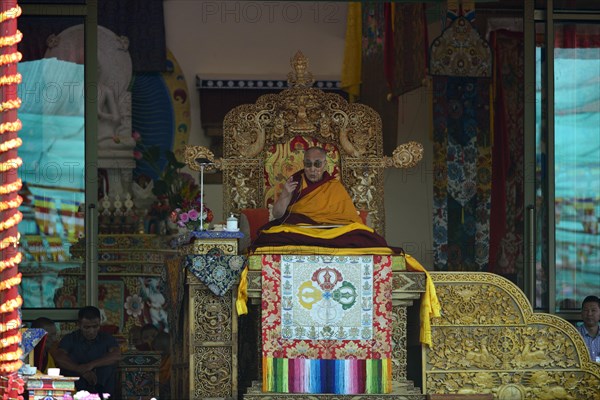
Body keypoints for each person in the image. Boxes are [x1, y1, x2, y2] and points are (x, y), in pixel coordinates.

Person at [250, 146, 398, 252]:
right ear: (304, 164)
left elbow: (349, 219)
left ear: (325, 165)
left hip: (330, 231)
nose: (312, 169)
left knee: (367, 238)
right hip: (300, 230)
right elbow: (277, 214)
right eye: (308, 164)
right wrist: (285, 194)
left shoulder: (334, 186)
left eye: (317, 164)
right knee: (269, 238)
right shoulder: (295, 181)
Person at [54, 306, 121, 397]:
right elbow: (59, 357)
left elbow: (116, 355)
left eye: (95, 326)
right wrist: (80, 370)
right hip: (77, 391)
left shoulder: (106, 338)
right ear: (79, 324)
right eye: (86, 327)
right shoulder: (70, 339)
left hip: (104, 390)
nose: (91, 331)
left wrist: (90, 365)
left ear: (100, 323)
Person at [576, 295, 600, 362]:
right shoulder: (574, 334)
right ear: (581, 313)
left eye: (593, 310)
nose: (589, 314)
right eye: (586, 310)